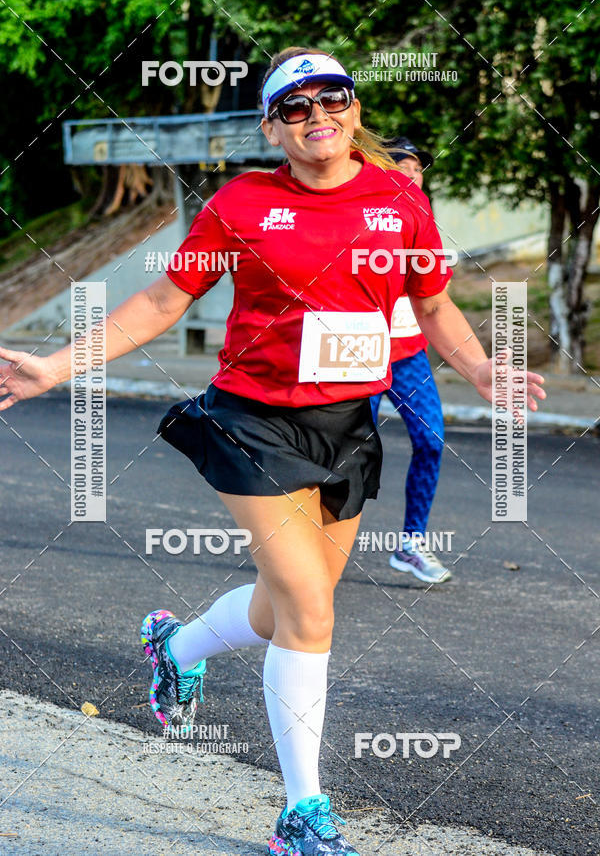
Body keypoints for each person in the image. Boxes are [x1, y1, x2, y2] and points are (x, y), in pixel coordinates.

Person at [0, 46, 546, 856]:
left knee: (285, 605)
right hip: (251, 420)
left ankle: (175, 647)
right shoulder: (243, 203)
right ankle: (303, 813)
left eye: (332, 99)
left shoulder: (400, 199)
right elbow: (159, 301)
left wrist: (481, 370)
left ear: (356, 112)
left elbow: (433, 308)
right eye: (295, 106)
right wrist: (54, 363)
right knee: (311, 606)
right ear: (272, 125)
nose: (316, 115)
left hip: (348, 426)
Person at [370, 136, 451, 584]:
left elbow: (437, 296)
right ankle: (311, 546)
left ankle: (411, 543)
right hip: (356, 354)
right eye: (402, 166)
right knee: (346, 454)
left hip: (407, 352)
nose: (412, 174)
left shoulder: (422, 217)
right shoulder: (358, 214)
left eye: (418, 168)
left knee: (432, 440)